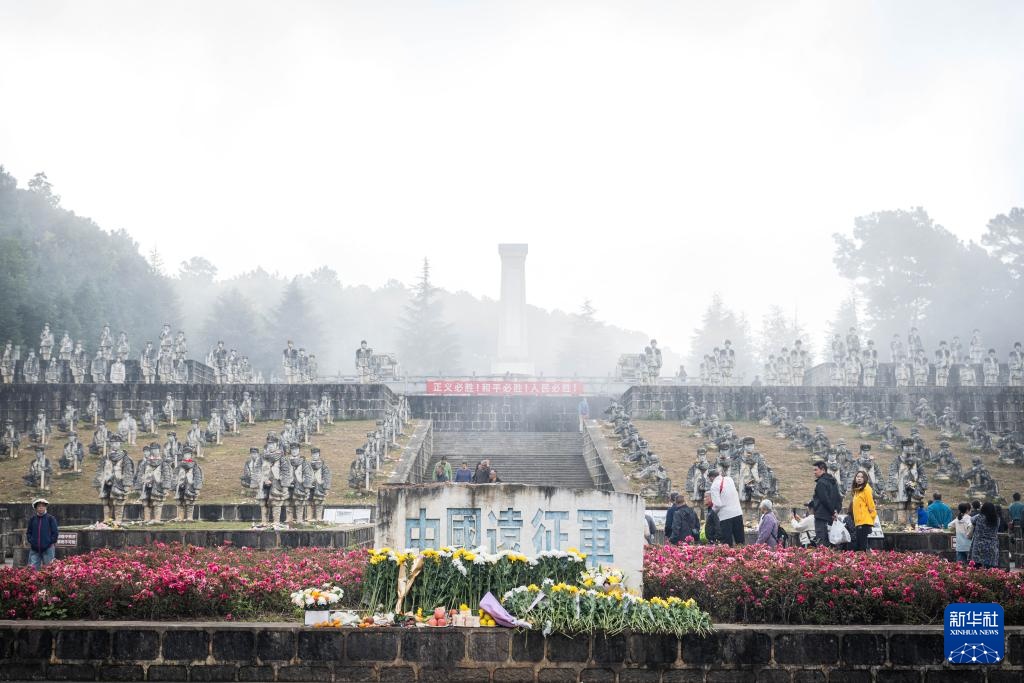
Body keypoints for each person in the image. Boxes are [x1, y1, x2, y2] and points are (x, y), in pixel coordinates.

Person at [809, 460, 842, 548]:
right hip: (831, 517)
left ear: (823, 470)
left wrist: (832, 512)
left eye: (816, 470)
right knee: (832, 542)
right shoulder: (833, 481)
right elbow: (838, 498)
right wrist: (836, 511)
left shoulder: (821, 482)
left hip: (821, 516)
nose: (814, 472)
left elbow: (824, 499)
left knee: (822, 542)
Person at [708, 467, 744, 546]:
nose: (710, 481)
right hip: (738, 512)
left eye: (710, 479)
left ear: (711, 477)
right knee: (740, 540)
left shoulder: (714, 486)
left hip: (725, 516)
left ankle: (729, 558)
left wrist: (712, 512)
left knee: (727, 543)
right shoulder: (729, 479)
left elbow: (717, 504)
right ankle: (744, 556)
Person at [26, 498, 58, 570]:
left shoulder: (50, 518)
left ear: (45, 507)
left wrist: (50, 542)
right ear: (36, 508)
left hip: (48, 548)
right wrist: (31, 540)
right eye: (39, 506)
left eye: (42, 506)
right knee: (33, 569)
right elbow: (29, 532)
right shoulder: (33, 519)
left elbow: (55, 533)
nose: (41, 508)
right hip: (35, 549)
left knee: (49, 569)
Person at [850, 470, 876, 551]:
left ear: (865, 479)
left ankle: (864, 562)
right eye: (858, 477)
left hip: (864, 521)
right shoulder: (857, 491)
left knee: (861, 546)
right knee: (859, 545)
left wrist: (871, 519)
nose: (859, 478)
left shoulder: (866, 489)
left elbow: (871, 506)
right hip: (858, 522)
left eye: (862, 477)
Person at [969, 502, 1000, 568]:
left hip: (978, 546)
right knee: (991, 569)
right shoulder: (997, 519)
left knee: (976, 568)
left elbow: (971, 520)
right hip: (992, 546)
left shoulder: (979, 517)